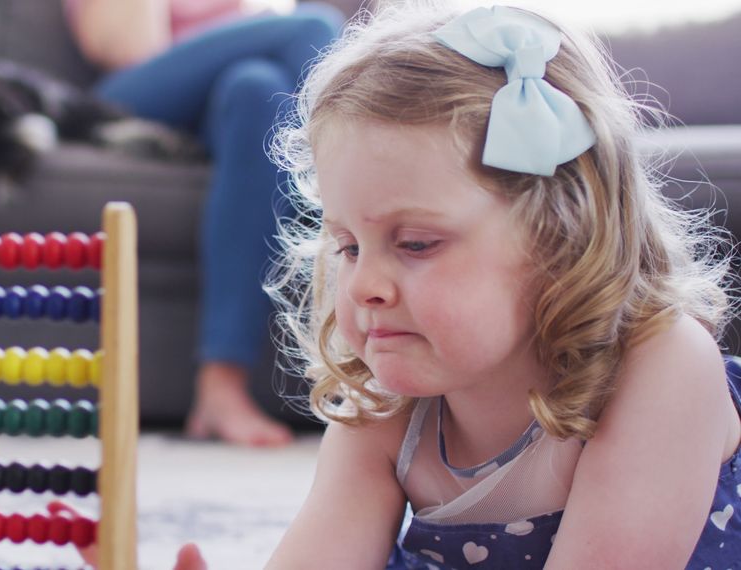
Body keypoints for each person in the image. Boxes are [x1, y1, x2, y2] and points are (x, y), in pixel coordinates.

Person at [55, 2, 741, 568]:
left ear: (562, 236)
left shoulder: (663, 368)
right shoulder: (392, 401)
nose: (365, 286)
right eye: (347, 244)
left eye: (416, 244)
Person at [65, 0, 345, 447]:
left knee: (257, 87)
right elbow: (128, 48)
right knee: (313, 26)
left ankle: (220, 387)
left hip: (225, 100)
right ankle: (352, 181)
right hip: (133, 93)